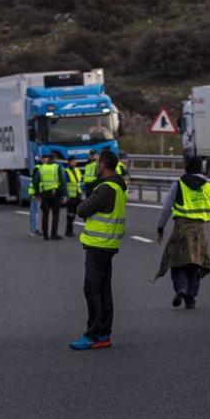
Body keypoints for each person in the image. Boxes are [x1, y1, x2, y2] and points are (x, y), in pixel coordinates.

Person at [71, 150, 126, 350]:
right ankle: (104, 334)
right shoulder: (119, 186)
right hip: (108, 245)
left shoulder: (105, 188)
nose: (96, 166)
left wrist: (85, 199)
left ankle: (93, 333)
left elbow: (82, 210)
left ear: (102, 164)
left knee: (92, 289)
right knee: (103, 290)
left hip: (99, 245)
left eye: (97, 163)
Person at [153, 156, 210, 308]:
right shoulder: (208, 187)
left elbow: (167, 207)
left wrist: (160, 227)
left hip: (181, 229)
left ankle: (181, 288)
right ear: (201, 168)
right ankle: (191, 298)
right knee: (195, 265)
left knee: (177, 262)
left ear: (187, 167)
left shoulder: (179, 184)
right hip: (199, 232)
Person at [33, 154, 65, 241]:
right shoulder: (57, 167)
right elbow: (62, 181)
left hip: (45, 194)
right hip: (55, 194)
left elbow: (36, 182)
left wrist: (37, 194)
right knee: (55, 215)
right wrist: (64, 194)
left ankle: (45, 235)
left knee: (45, 215)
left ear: (47, 160)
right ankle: (53, 234)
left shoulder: (42, 168)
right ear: (54, 159)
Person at [62, 158, 84, 237]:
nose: (74, 162)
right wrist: (66, 195)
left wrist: (81, 193)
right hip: (70, 196)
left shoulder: (77, 170)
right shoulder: (66, 172)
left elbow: (79, 183)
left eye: (75, 161)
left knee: (75, 213)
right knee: (70, 214)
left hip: (77, 194)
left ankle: (70, 231)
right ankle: (68, 231)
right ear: (69, 163)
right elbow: (65, 184)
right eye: (72, 161)